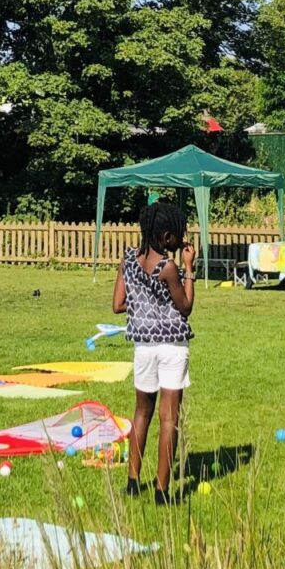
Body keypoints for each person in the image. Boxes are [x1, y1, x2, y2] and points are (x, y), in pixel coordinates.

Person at [113, 198, 195, 504]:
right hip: (172, 347)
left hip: (143, 347)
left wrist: (142, 305)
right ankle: (162, 491)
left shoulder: (128, 261)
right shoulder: (168, 267)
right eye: (176, 234)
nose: (179, 240)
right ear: (165, 236)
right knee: (169, 419)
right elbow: (185, 307)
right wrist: (189, 269)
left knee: (141, 413)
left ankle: (132, 482)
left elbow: (117, 305)